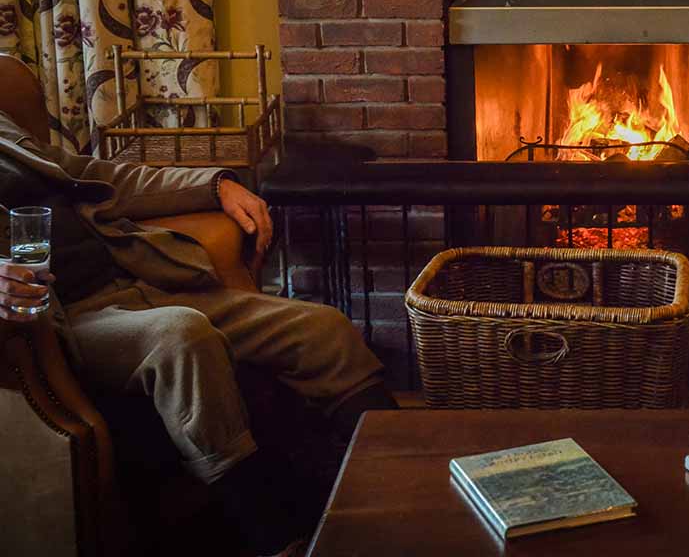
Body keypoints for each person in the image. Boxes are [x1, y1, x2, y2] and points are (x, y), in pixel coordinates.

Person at [0, 109, 398, 557]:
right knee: (183, 335)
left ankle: (402, 492)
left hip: (135, 280)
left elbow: (92, 175)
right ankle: (276, 537)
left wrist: (216, 185)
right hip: (64, 322)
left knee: (322, 328)